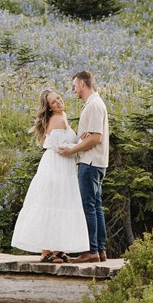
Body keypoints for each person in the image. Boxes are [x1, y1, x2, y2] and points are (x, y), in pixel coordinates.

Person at [9, 90, 90, 260]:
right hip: (56, 167)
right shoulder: (57, 119)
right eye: (54, 102)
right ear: (50, 108)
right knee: (53, 203)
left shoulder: (63, 116)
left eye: (58, 98)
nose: (59, 102)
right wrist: (82, 142)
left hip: (63, 167)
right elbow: (61, 148)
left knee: (59, 204)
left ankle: (55, 249)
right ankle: (46, 251)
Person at [54, 69, 109, 262]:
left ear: (83, 84)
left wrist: (72, 149)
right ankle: (100, 251)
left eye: (75, 85)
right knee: (96, 205)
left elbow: (95, 137)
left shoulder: (94, 105)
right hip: (97, 162)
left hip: (90, 161)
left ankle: (91, 251)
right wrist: (82, 138)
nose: (73, 89)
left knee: (88, 206)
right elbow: (91, 135)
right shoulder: (94, 103)